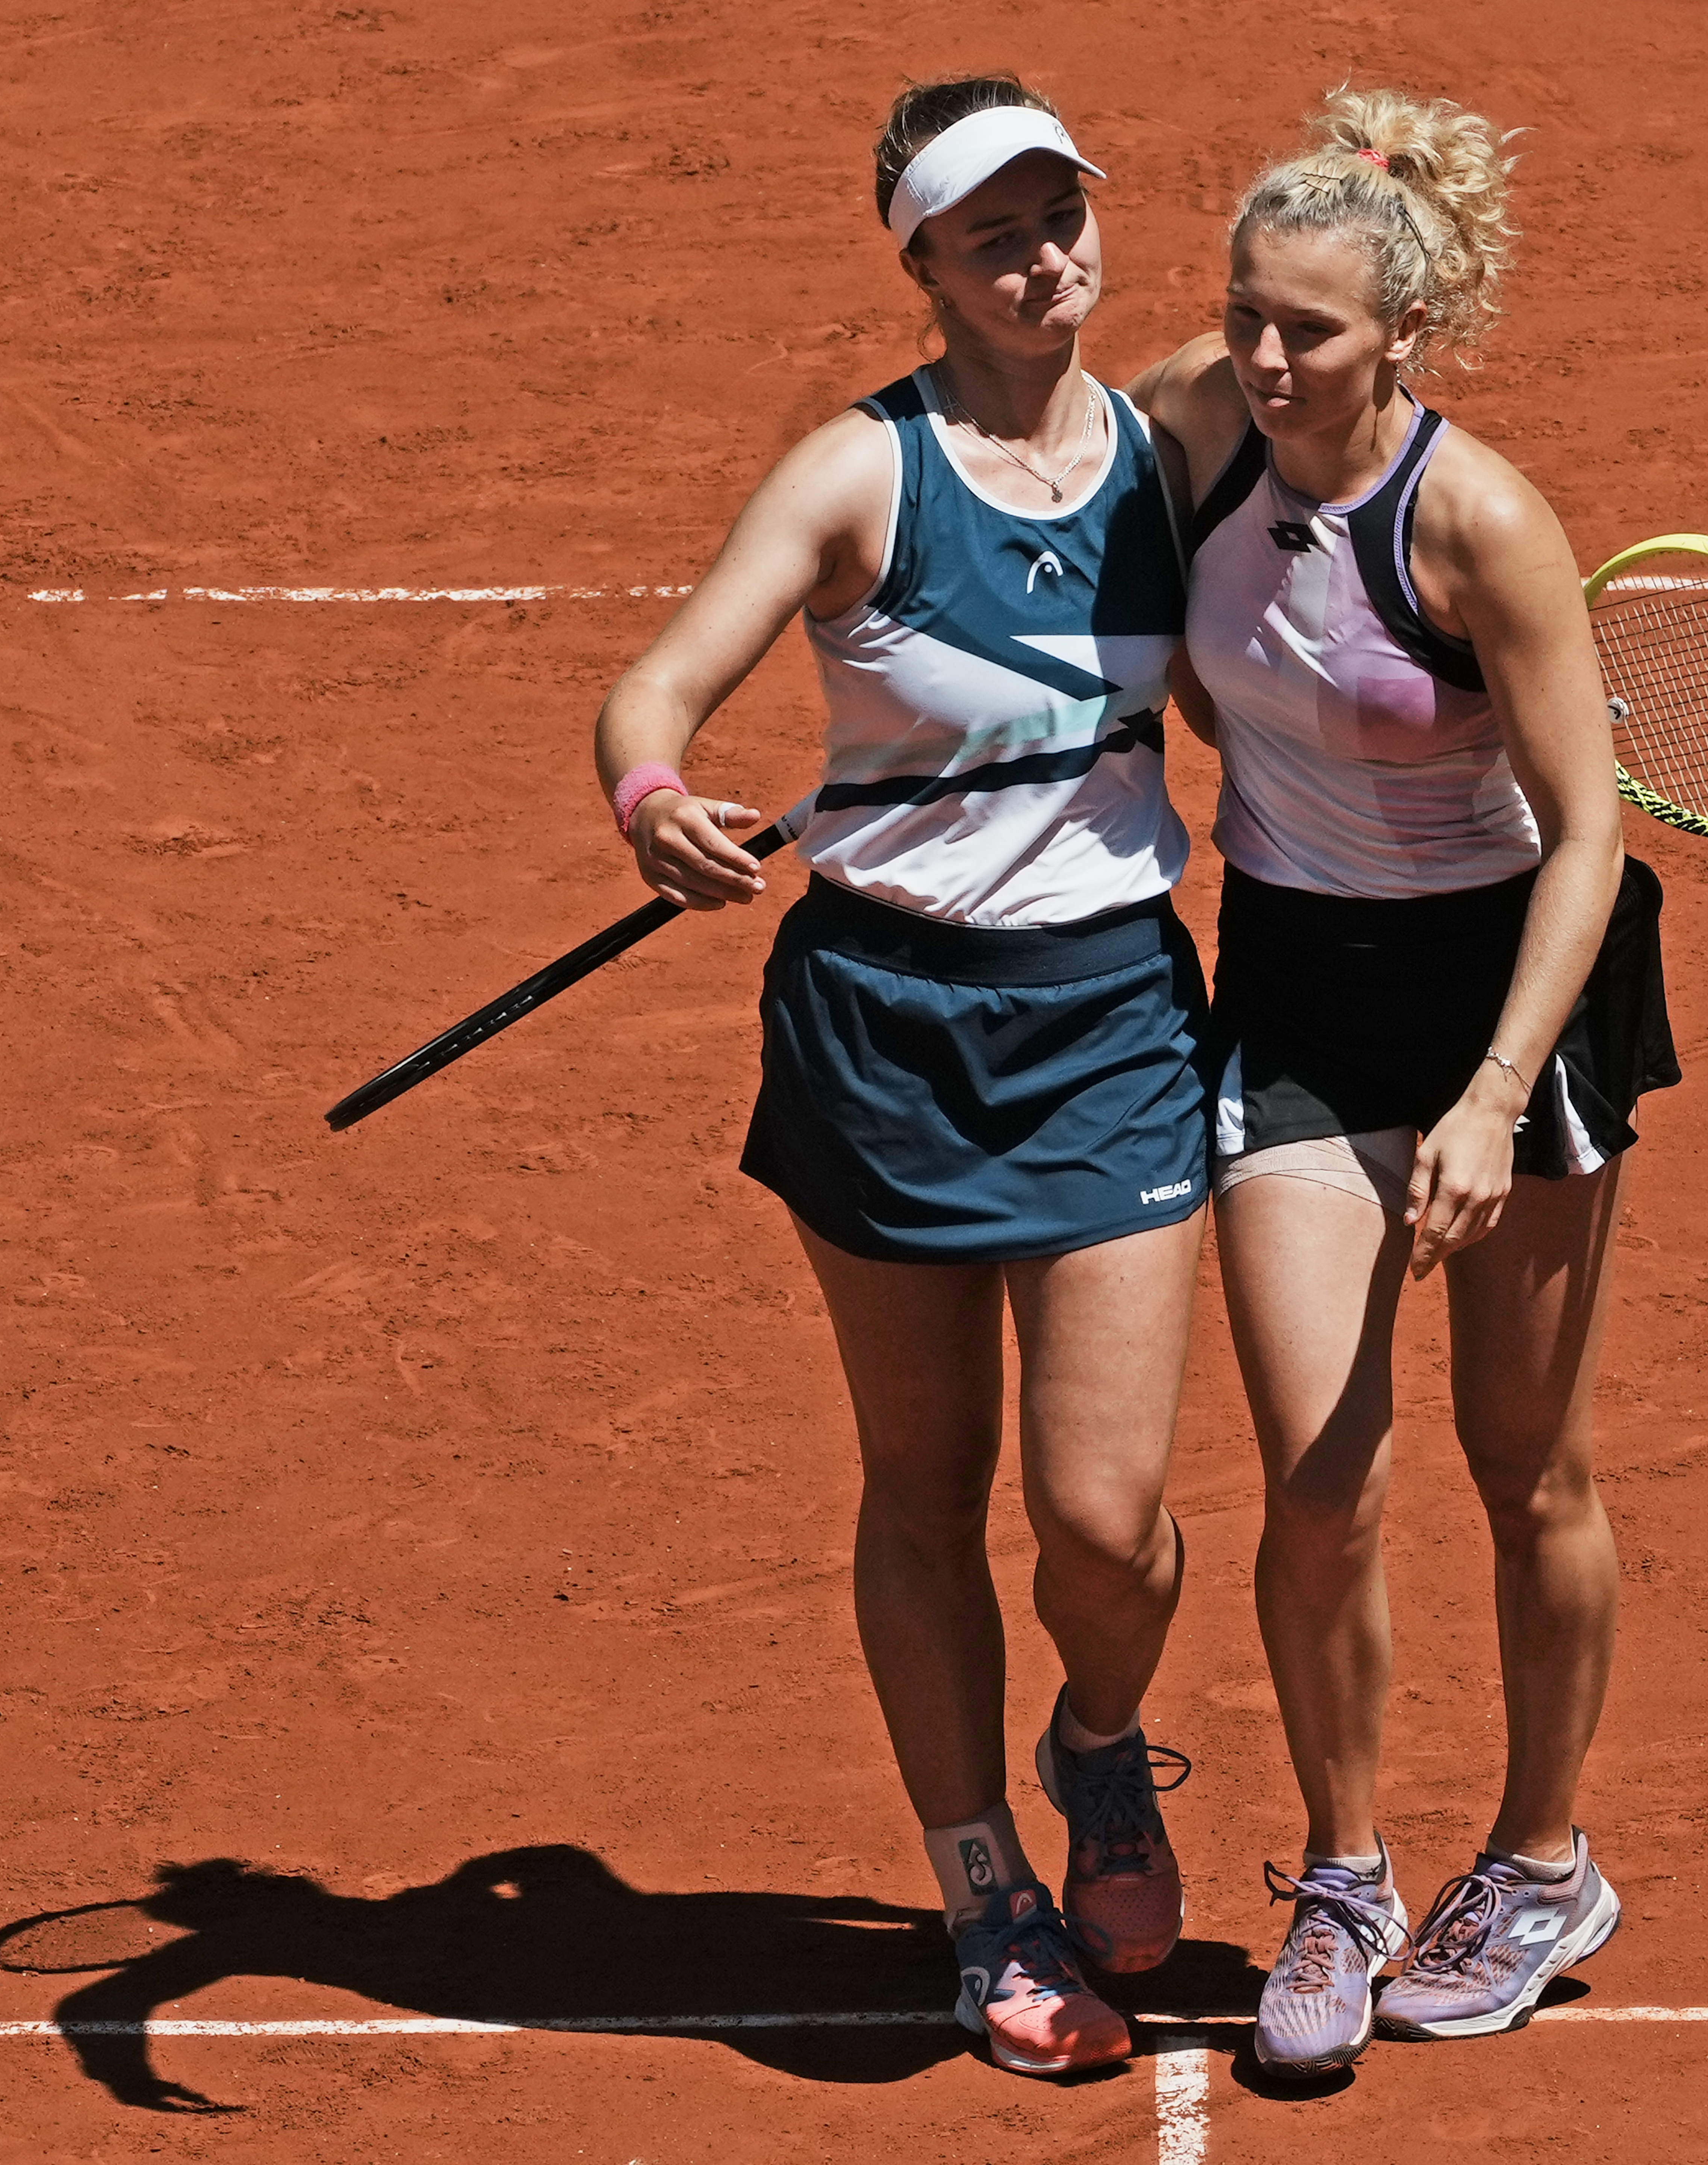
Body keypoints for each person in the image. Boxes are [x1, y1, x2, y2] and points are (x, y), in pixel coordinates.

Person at [591, 76, 1210, 2079]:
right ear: (923, 264)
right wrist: (655, 797)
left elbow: (1349, 323)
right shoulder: (861, 472)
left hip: (1112, 1018)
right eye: (991, 235)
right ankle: (983, 1892)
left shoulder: (1176, 439)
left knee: (1106, 1521)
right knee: (925, 1488)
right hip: (887, 1029)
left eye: (1061, 217)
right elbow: (658, 684)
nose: (1043, 260)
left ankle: (1098, 1743)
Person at [1132, 86, 1679, 2074]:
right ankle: (1346, 1882)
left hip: (1508, 1002)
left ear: (1407, 339)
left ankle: (1540, 1863)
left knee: (1526, 1465)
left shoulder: (1482, 527)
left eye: (1313, 331)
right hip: (1294, 992)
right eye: (1247, 316)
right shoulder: (1193, 423)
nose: (1268, 359)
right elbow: (1086, 590)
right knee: (1318, 1482)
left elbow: (1591, 833)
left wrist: (1491, 1095)